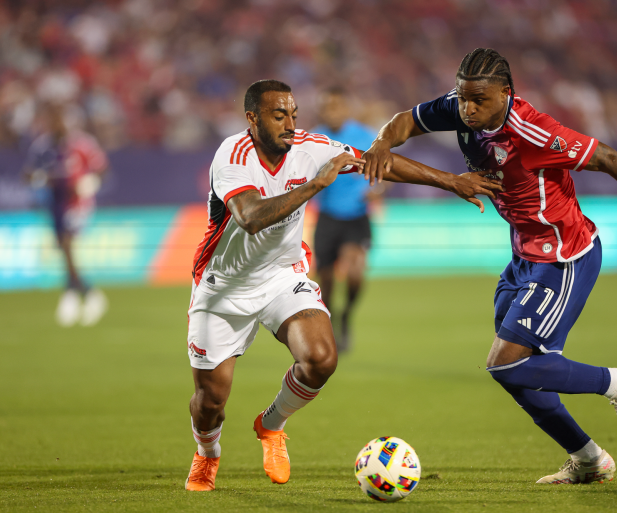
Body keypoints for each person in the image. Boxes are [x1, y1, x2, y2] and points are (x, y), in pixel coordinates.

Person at [363, 48, 617, 484]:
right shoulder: (459, 108)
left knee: (506, 363)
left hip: (564, 258)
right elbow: (405, 120)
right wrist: (381, 142)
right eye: (463, 98)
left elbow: (612, 159)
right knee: (518, 375)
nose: (467, 109)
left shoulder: (533, 132)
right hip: (524, 257)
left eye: (478, 100)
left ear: (506, 94)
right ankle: (589, 459)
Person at [184, 79, 502, 491]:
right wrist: (316, 184)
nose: (289, 124)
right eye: (278, 115)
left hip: (282, 276)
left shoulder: (311, 147)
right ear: (252, 119)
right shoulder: (232, 155)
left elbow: (376, 162)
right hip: (224, 287)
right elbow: (250, 217)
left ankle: (271, 425)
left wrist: (451, 181)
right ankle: (207, 453)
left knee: (321, 358)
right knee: (211, 401)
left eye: (293, 114)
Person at [24, 102, 109, 327]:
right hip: (55, 203)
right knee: (63, 248)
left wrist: (89, 182)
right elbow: (28, 173)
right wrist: (42, 179)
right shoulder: (42, 146)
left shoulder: (82, 144)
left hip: (78, 202)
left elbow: (102, 168)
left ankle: (86, 294)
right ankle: (76, 293)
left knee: (67, 243)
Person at [311, 87, 381, 352]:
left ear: (346, 108)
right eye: (328, 108)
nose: (333, 112)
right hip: (327, 216)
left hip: (357, 216)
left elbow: (385, 170)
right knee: (326, 283)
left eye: (337, 107)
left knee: (355, 273)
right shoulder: (314, 139)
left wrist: (378, 189)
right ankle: (330, 322)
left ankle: (346, 314)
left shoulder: (364, 136)